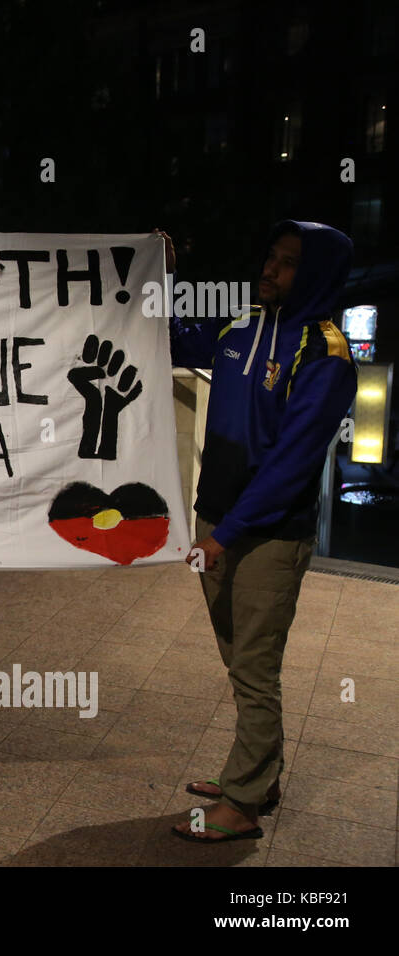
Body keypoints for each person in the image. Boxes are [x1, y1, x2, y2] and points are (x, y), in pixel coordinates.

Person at [161, 221, 357, 843]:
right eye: (270, 256)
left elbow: (293, 462)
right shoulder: (239, 325)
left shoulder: (327, 354)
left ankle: (243, 804)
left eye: (289, 263)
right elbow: (167, 342)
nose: (270, 269)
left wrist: (226, 533)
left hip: (267, 535)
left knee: (254, 664)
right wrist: (160, 276)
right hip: (215, 518)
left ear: (319, 272)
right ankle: (258, 772)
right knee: (233, 650)